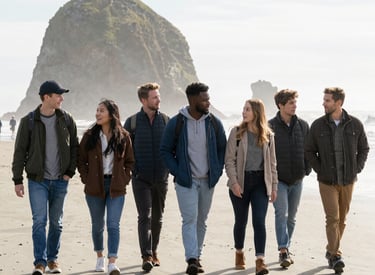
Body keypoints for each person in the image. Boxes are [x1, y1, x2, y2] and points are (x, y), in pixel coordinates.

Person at [11, 80, 78, 275]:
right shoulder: (29, 121)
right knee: (40, 221)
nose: (61, 98)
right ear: (46, 97)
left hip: (60, 180)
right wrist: (17, 180)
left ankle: (52, 260)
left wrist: (69, 172)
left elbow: (75, 147)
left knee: (56, 223)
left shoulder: (67, 119)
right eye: (58, 95)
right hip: (37, 181)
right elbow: (19, 152)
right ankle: (39, 263)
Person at [160, 82, 227, 275]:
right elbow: (165, 150)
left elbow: (222, 147)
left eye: (208, 98)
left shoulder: (214, 122)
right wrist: (178, 171)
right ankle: (191, 259)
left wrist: (218, 169)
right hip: (186, 181)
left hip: (208, 180)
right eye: (204, 99)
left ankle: (197, 256)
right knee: (189, 219)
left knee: (201, 220)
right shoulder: (177, 122)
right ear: (192, 100)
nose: (208, 102)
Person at [305, 87, 369, 274]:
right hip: (327, 181)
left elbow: (364, 148)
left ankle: (330, 250)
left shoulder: (355, 124)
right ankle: (336, 255)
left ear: (338, 102)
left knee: (342, 219)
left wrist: (357, 168)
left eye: (327, 100)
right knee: (332, 218)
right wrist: (320, 169)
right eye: (324, 100)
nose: (323, 103)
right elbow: (309, 150)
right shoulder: (317, 125)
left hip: (348, 180)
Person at [78, 99, 134, 275]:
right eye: (96, 110)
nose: (97, 113)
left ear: (111, 114)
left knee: (113, 224)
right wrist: (86, 178)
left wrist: (125, 178)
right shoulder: (89, 136)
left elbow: (130, 161)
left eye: (101, 110)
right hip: (95, 186)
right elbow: (81, 160)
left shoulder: (124, 136)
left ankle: (112, 262)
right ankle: (100, 257)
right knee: (97, 225)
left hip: (116, 186)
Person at [225, 99, 277, 275]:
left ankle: (260, 260)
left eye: (247, 109)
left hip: (260, 184)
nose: (243, 112)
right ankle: (239, 253)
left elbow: (272, 164)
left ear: (256, 112)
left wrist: (274, 187)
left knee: (259, 221)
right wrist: (234, 183)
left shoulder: (268, 136)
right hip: (241, 182)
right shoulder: (237, 133)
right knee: (241, 221)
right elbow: (229, 161)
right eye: (243, 109)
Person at [123, 83, 169, 272]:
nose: (159, 100)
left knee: (157, 218)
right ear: (144, 100)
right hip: (140, 178)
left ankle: (154, 251)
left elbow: (172, 149)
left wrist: (169, 170)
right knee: (145, 216)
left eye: (158, 96)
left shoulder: (167, 121)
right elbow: (125, 150)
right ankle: (146, 255)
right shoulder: (132, 122)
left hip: (161, 178)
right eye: (154, 97)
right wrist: (134, 170)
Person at [268, 89, 311, 268]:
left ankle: (286, 246)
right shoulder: (270, 126)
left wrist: (306, 170)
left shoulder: (302, 125)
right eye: (291, 103)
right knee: (281, 214)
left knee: (291, 217)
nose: (294, 106)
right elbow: (265, 154)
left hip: (297, 179)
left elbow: (309, 149)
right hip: (279, 181)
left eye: (295, 103)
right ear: (281, 105)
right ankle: (283, 250)